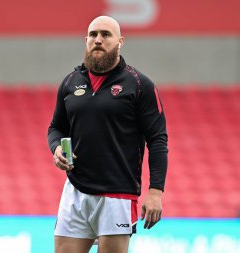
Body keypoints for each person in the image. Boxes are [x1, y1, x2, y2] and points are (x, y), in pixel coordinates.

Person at [47, 15, 168, 253]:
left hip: (118, 194)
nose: (98, 40)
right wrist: (56, 149)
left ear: (120, 41)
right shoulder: (70, 83)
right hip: (76, 189)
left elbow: (157, 140)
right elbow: (55, 127)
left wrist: (156, 191)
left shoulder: (139, 85)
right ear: (86, 40)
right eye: (93, 35)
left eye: (105, 34)